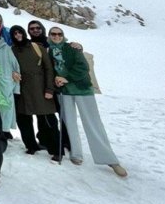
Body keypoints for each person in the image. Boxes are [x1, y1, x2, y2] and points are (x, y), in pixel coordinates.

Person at [49, 26, 127, 177]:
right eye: (53, 34)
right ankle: (76, 153)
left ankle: (110, 159)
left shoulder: (72, 48)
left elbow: (83, 67)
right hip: (64, 92)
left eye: (59, 34)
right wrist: (56, 80)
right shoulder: (49, 51)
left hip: (81, 89)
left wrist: (66, 78)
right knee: (69, 123)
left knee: (92, 123)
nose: (56, 36)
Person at [10, 25, 59, 159]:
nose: (18, 35)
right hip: (21, 89)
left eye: (20, 32)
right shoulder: (11, 50)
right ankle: (31, 145)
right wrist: (12, 73)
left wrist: (50, 89)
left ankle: (56, 149)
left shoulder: (37, 47)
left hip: (40, 88)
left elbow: (49, 69)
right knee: (24, 120)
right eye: (14, 34)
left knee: (47, 119)